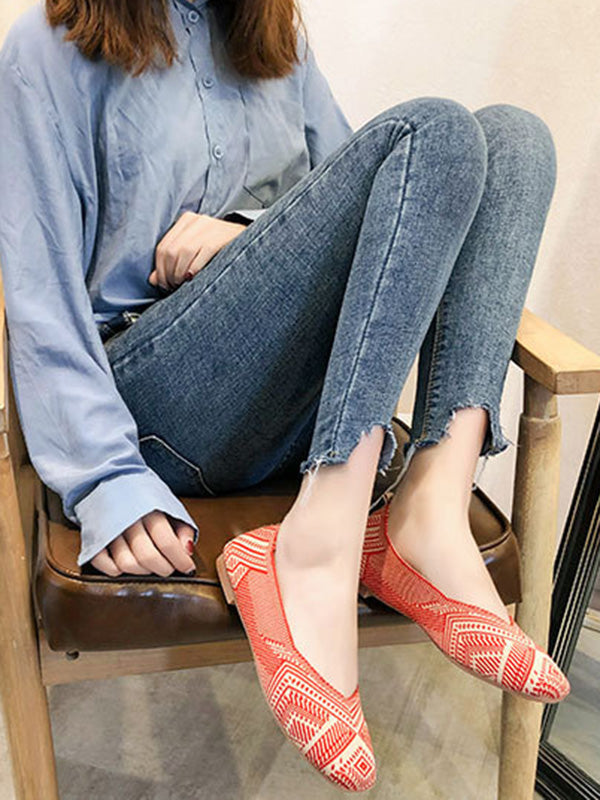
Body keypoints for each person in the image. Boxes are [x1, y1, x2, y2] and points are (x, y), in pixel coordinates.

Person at [0, 0, 570, 790]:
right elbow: (39, 293)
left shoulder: (275, 42)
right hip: (161, 401)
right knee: (435, 128)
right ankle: (311, 553)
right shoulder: (47, 50)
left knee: (513, 139)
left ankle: (428, 508)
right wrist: (105, 479)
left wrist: (244, 231)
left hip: (295, 411)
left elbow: (373, 200)